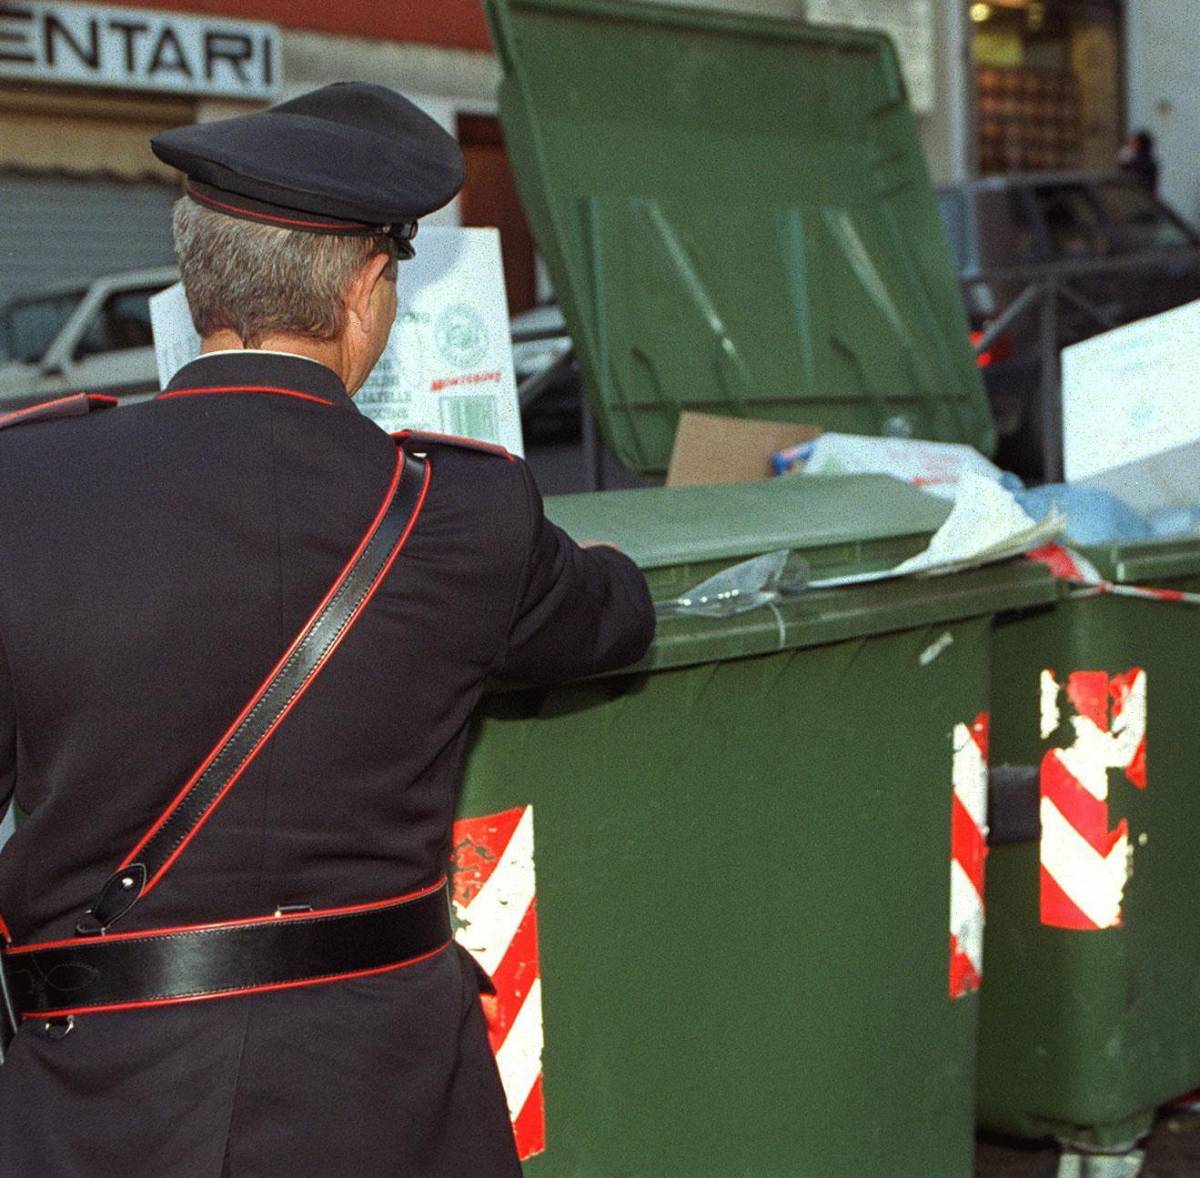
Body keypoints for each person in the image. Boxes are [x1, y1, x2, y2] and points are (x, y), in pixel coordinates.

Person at [0, 83, 655, 1176]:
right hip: (389, 1107)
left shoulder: (25, 488)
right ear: (366, 290)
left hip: (95, 1108)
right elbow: (615, 618)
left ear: (194, 279)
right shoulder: (462, 514)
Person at [1119, 129, 1159, 193]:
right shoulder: (1151, 163)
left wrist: (1124, 164)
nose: (1129, 147)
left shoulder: (1136, 164)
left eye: (1132, 143)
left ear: (1138, 145)